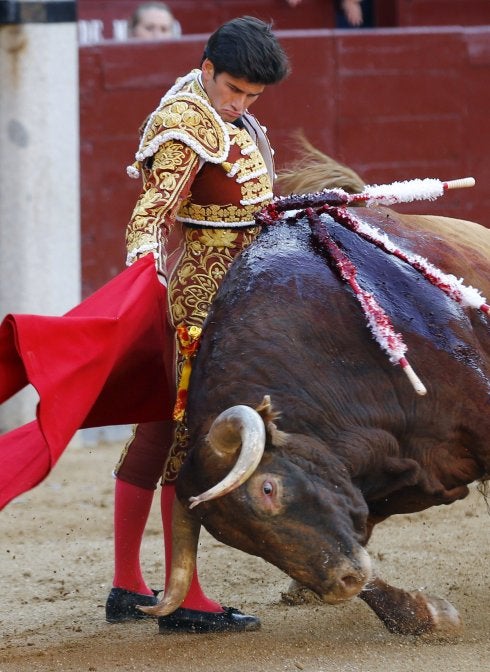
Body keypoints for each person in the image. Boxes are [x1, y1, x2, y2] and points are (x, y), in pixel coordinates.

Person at [105, 16, 290, 634]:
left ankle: (128, 586)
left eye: (252, 97)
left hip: (228, 292)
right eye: (233, 90)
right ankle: (183, 595)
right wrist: (144, 284)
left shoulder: (223, 114)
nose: (239, 106)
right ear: (207, 69)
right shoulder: (186, 122)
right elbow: (151, 216)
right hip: (200, 305)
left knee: (161, 435)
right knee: (186, 444)